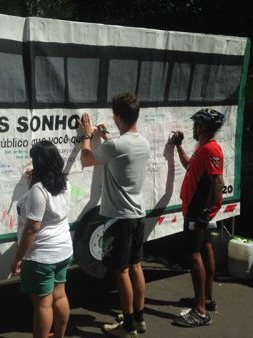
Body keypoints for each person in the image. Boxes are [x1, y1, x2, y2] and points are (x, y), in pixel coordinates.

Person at [78, 92, 150, 338]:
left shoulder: (116, 146)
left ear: (118, 117)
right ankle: (139, 318)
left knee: (120, 271)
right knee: (136, 265)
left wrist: (87, 137)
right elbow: (119, 153)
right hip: (138, 215)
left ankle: (128, 326)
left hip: (119, 217)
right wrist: (107, 137)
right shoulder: (142, 142)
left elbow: (87, 159)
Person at [10, 140, 73, 338]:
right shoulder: (65, 183)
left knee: (43, 305)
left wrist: (18, 258)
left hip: (41, 257)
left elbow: (32, 229)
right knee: (60, 296)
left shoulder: (39, 190)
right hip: (63, 250)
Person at [170, 108, 225, 327]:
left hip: (197, 210)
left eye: (195, 125)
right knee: (206, 249)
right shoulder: (202, 149)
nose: (193, 128)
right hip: (199, 209)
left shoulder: (211, 149)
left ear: (201, 127)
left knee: (193, 256)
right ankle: (207, 299)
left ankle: (200, 311)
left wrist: (206, 212)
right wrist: (178, 146)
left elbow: (218, 183)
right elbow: (188, 166)